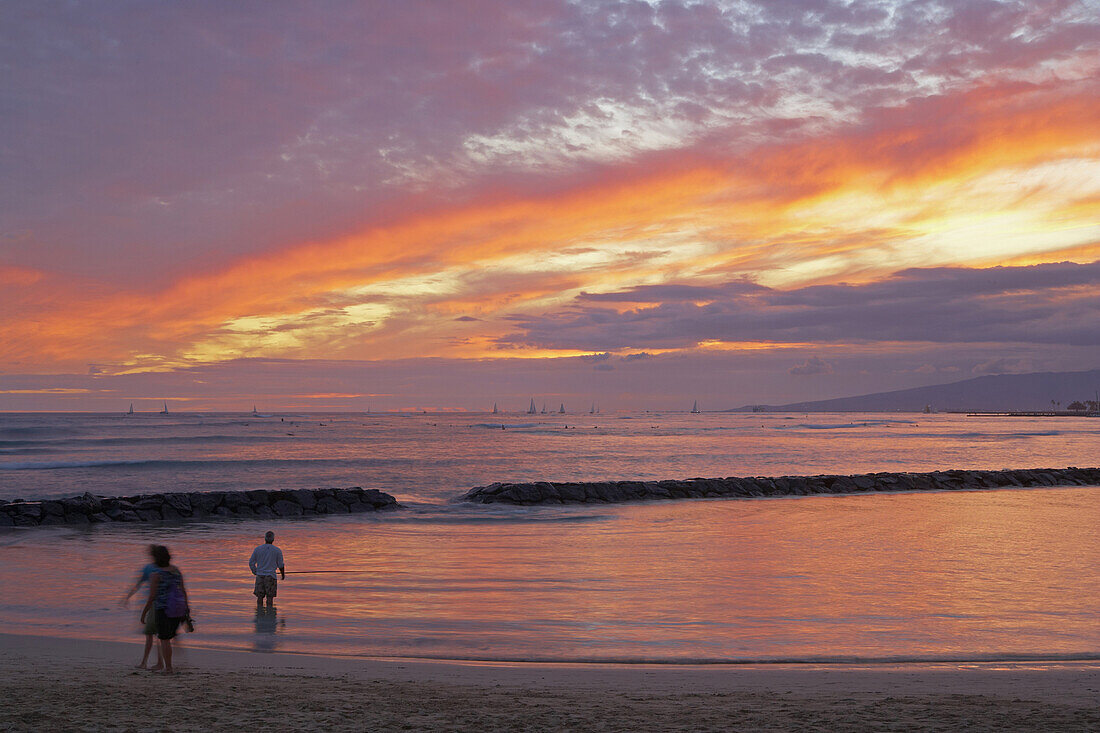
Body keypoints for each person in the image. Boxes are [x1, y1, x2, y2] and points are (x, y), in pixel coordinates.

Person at [140, 545, 189, 674]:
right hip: (177, 610)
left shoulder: (156, 575)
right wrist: (186, 608)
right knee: (169, 637)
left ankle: (168, 668)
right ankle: (168, 666)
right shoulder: (176, 571)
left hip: (163, 610)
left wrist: (144, 613)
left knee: (164, 639)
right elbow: (183, 591)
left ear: (156, 559)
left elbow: (151, 597)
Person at [121, 544, 162, 670]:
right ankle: (158, 662)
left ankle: (146, 662)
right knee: (159, 636)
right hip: (162, 604)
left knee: (150, 635)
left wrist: (127, 597)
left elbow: (138, 584)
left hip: (150, 604)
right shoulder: (166, 568)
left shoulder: (149, 568)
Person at [249, 531, 285, 610]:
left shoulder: (258, 549)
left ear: (265, 538)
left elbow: (251, 562)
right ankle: (269, 617)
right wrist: (283, 575)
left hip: (260, 576)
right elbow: (281, 565)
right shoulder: (277, 550)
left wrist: (255, 571)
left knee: (259, 597)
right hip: (271, 577)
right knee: (270, 598)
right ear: (273, 539)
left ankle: (260, 615)